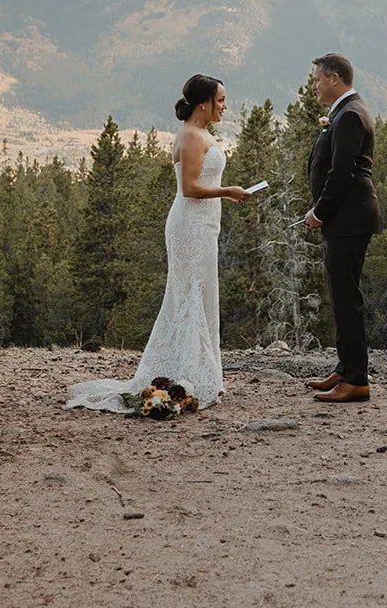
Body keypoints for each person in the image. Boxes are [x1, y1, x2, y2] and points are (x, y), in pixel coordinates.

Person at [66, 74, 251, 413]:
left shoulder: (200, 133)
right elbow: (190, 188)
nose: (225, 106)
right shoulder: (192, 136)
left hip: (203, 224)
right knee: (191, 294)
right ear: (203, 103)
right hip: (190, 225)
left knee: (200, 293)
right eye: (221, 100)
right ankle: (189, 375)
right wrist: (229, 191)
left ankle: (200, 373)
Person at [303, 53, 382, 403]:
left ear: (335, 78)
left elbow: (342, 173)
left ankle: (356, 380)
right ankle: (344, 367)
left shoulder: (349, 115)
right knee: (341, 297)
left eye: (318, 79)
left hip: (348, 220)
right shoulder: (346, 112)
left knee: (347, 300)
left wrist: (320, 212)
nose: (315, 85)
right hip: (345, 218)